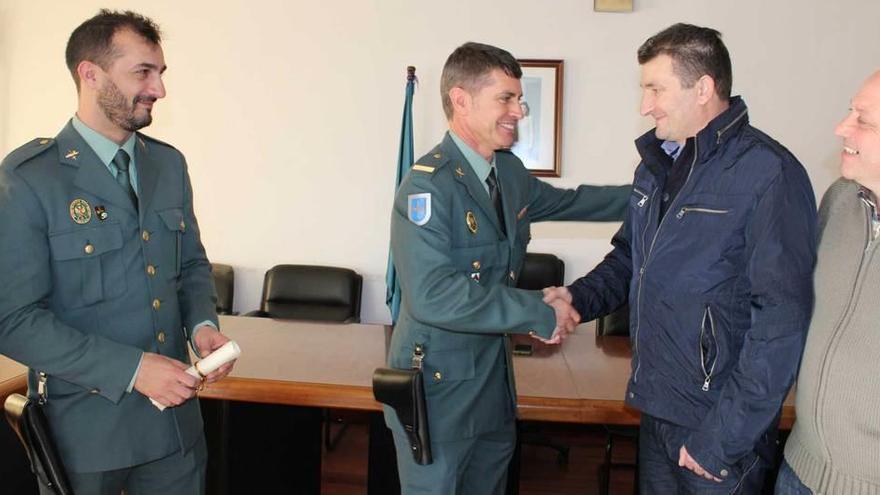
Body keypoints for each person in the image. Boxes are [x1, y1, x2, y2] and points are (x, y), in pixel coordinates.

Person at [544, 23, 817, 493]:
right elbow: (630, 257)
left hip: (719, 426)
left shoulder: (770, 173)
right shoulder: (656, 168)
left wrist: (724, 439)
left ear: (704, 88)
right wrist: (577, 298)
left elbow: (782, 320)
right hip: (658, 406)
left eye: (656, 89)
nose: (644, 106)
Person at [0, 10, 234, 494]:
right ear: (90, 74)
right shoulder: (30, 178)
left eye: (161, 73)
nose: (159, 89)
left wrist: (203, 325)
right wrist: (133, 370)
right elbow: (13, 320)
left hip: (174, 431)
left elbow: (189, 264)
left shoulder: (167, 165)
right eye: (142, 72)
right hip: (87, 434)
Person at [385, 41, 631, 495]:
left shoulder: (509, 173)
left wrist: (652, 196)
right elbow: (435, 295)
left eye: (520, 99)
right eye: (506, 98)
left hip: (492, 384)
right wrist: (541, 312)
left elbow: (576, 201)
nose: (519, 110)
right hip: (439, 390)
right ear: (461, 100)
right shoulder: (428, 188)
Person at [775, 71, 880, 495]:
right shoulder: (840, 199)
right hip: (800, 467)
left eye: (864, 119)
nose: (841, 127)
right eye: (849, 111)